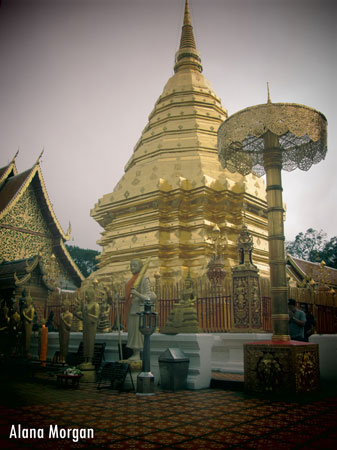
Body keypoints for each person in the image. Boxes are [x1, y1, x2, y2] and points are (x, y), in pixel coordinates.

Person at [124, 259, 156, 361]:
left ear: (141, 267)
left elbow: (148, 297)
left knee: (137, 334)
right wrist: (118, 297)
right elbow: (128, 296)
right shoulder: (130, 281)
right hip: (131, 310)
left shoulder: (144, 279)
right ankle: (134, 353)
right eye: (131, 265)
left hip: (139, 310)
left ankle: (137, 353)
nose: (132, 268)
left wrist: (136, 294)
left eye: (135, 265)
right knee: (132, 334)